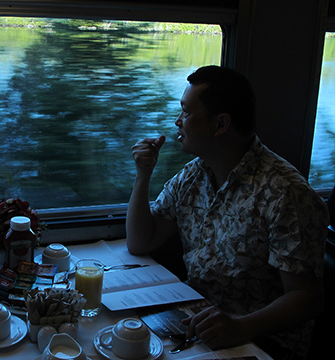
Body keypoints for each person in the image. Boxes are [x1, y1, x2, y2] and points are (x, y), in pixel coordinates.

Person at [126, 65, 328, 359]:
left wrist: (240, 327)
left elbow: (307, 298)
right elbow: (140, 242)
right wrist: (143, 175)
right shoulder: (194, 175)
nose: (176, 122)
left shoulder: (286, 194)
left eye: (186, 113)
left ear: (220, 125)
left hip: (262, 342)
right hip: (197, 318)